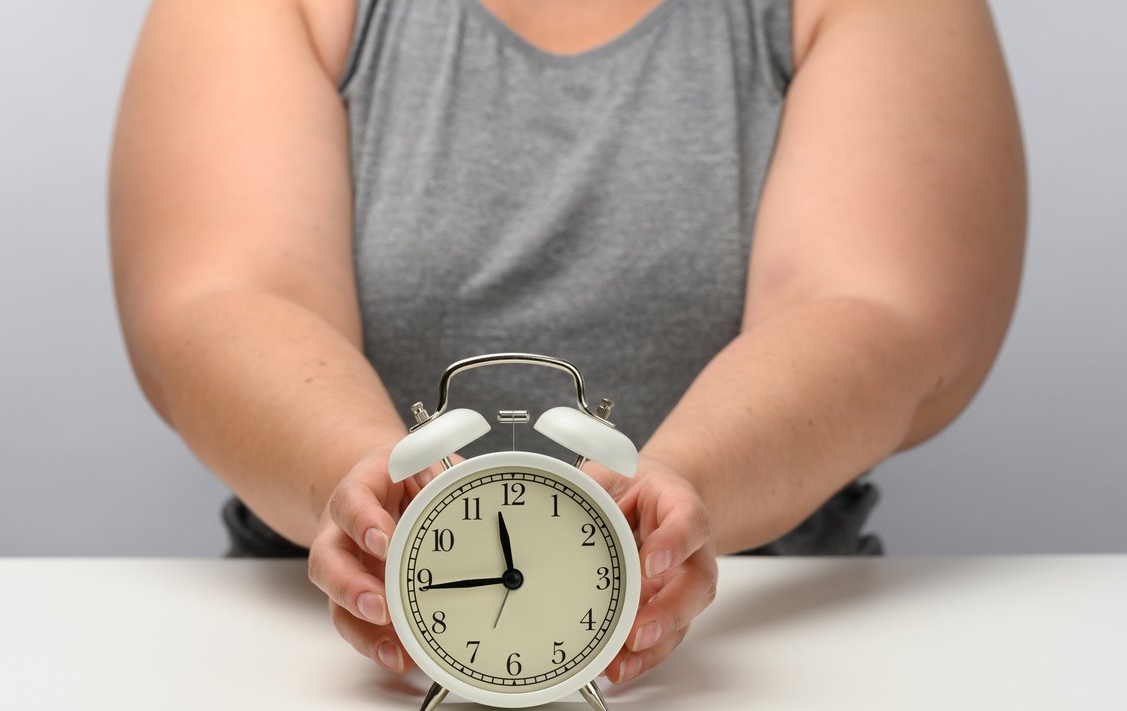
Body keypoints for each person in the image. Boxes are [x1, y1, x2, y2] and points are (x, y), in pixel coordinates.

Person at [109, 0, 1025, 686]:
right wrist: (375, 504)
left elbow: (883, 309)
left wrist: (686, 490)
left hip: (764, 650)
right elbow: (221, 298)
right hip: (327, 650)